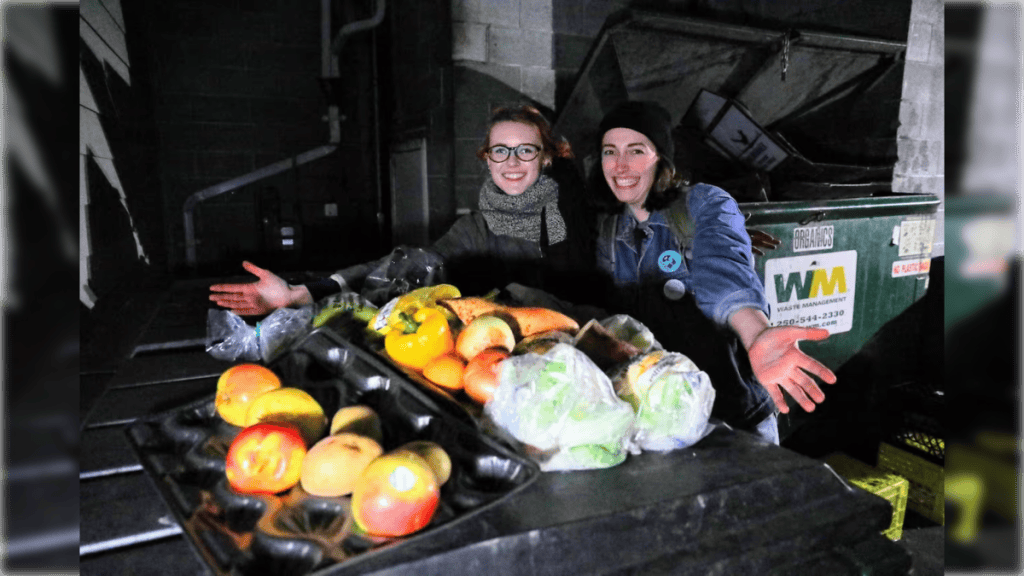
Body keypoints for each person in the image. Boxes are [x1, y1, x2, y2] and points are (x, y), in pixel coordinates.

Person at [591, 100, 836, 444]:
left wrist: (755, 333)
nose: (620, 165)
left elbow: (721, 272)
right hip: (661, 417)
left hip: (732, 414)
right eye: (609, 151)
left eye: (636, 150)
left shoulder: (705, 203)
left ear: (661, 158)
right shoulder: (609, 231)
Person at [209, 104, 595, 315]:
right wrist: (307, 291)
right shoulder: (479, 228)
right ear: (488, 160)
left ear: (545, 159)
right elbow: (412, 264)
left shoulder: (584, 216)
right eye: (500, 151)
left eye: (525, 150)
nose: (511, 162)